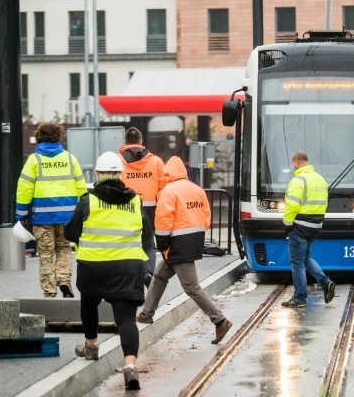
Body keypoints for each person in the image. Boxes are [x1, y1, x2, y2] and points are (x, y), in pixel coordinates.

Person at [65, 151, 153, 391]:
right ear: (121, 175)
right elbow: (146, 235)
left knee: (89, 303)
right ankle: (130, 367)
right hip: (127, 268)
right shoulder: (135, 201)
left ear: (97, 174)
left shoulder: (88, 200)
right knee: (125, 319)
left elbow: (70, 233)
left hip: (93, 267)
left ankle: (91, 346)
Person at [137, 156, 233, 345]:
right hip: (193, 242)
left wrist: (163, 246)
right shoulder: (197, 190)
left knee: (192, 287)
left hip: (176, 245)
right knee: (159, 275)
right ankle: (146, 313)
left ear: (168, 172)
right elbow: (206, 219)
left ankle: (220, 320)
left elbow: (163, 223)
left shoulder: (168, 191)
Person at [15, 122, 88, 298]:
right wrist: (83, 213)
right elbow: (81, 188)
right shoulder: (70, 159)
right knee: (63, 249)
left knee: (46, 254)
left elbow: (24, 189)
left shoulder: (34, 160)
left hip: (42, 217)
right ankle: (64, 280)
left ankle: (49, 292)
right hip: (67, 217)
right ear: (58, 136)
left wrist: (21, 214)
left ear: (39, 136)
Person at [281, 151, 335, 308]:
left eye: (293, 164)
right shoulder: (320, 178)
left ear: (297, 162)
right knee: (305, 257)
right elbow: (325, 202)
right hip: (316, 226)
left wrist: (287, 224)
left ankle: (300, 298)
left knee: (296, 263)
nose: (293, 166)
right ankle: (326, 282)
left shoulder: (298, 180)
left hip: (300, 226)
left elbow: (292, 205)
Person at [118, 127, 166, 286]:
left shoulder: (117, 161)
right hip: (150, 211)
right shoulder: (156, 161)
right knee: (148, 245)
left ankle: (128, 276)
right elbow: (162, 189)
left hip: (124, 210)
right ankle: (147, 272)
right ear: (141, 141)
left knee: (126, 244)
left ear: (125, 142)